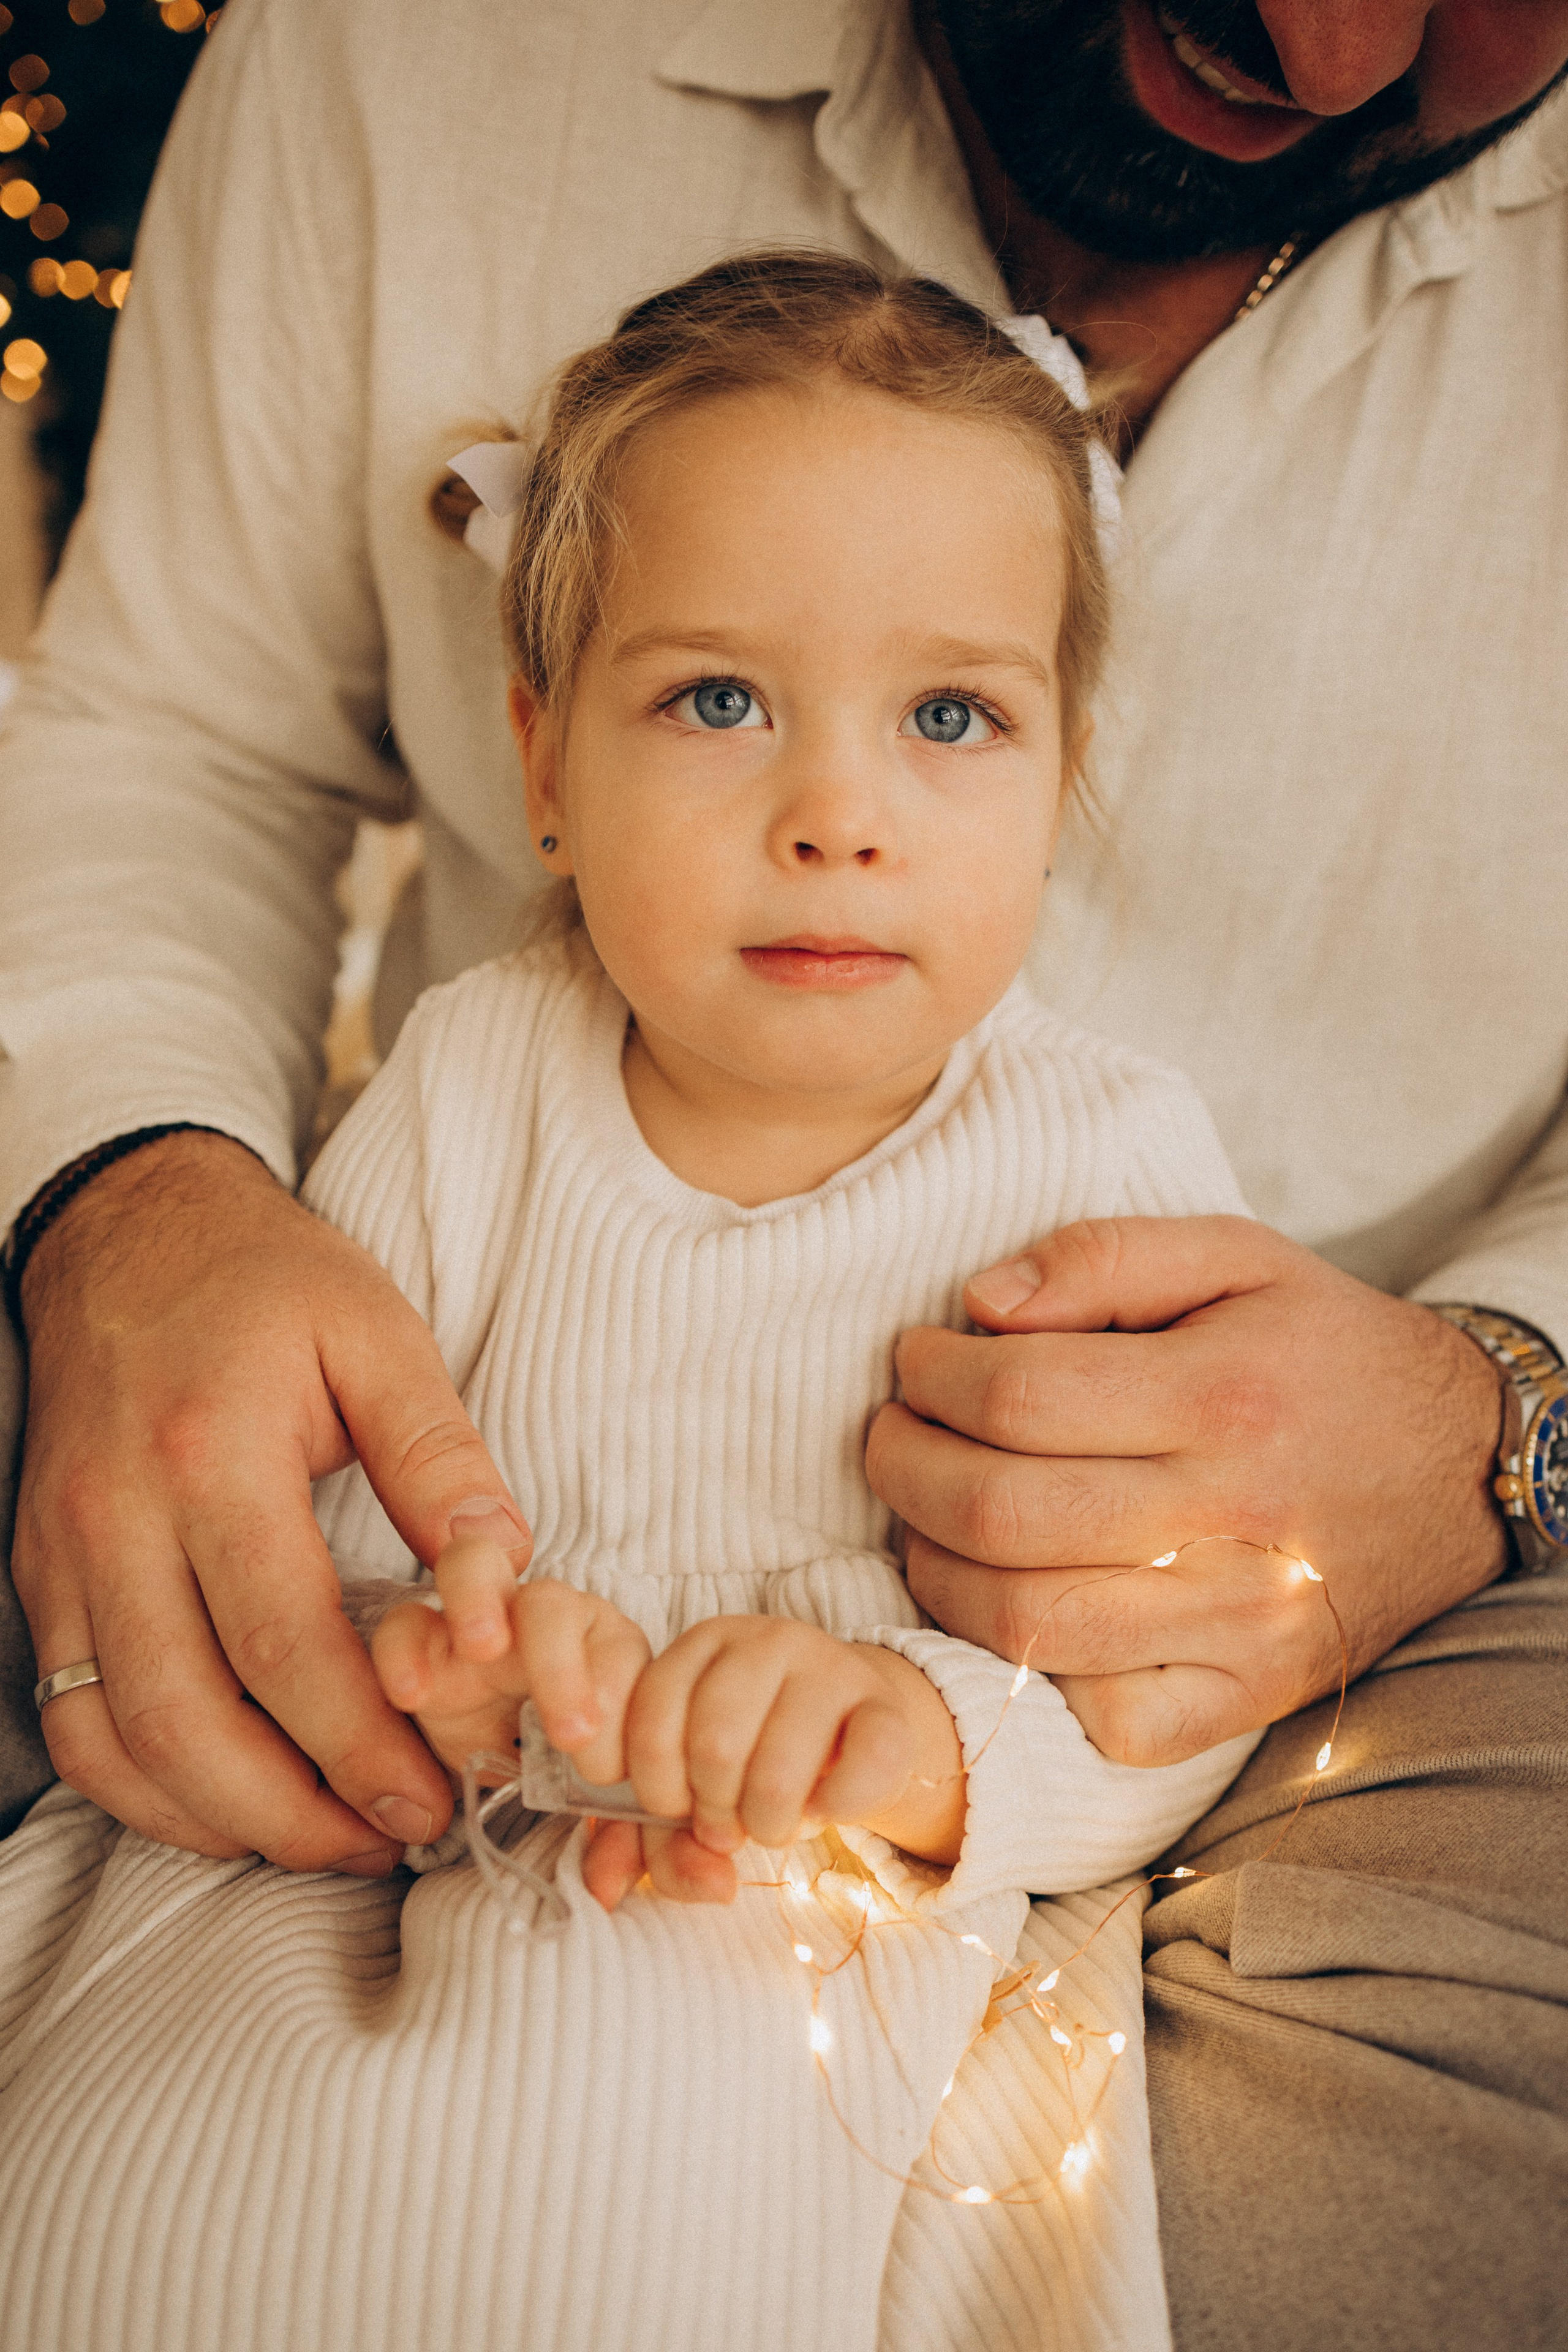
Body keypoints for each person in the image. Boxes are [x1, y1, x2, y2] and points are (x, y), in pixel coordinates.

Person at [1, 3, 1565, 2343]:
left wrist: (932, 1745)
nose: (837, 814)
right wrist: (442, 1651)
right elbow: (325, 1500)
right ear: (541, 753)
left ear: (1063, 769)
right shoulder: (471, 1074)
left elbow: (1167, 1689)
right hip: (401, 1846)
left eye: (951, 718)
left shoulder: (1112, 1160)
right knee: (135, 2184)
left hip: (793, 1929)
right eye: (719, 699)